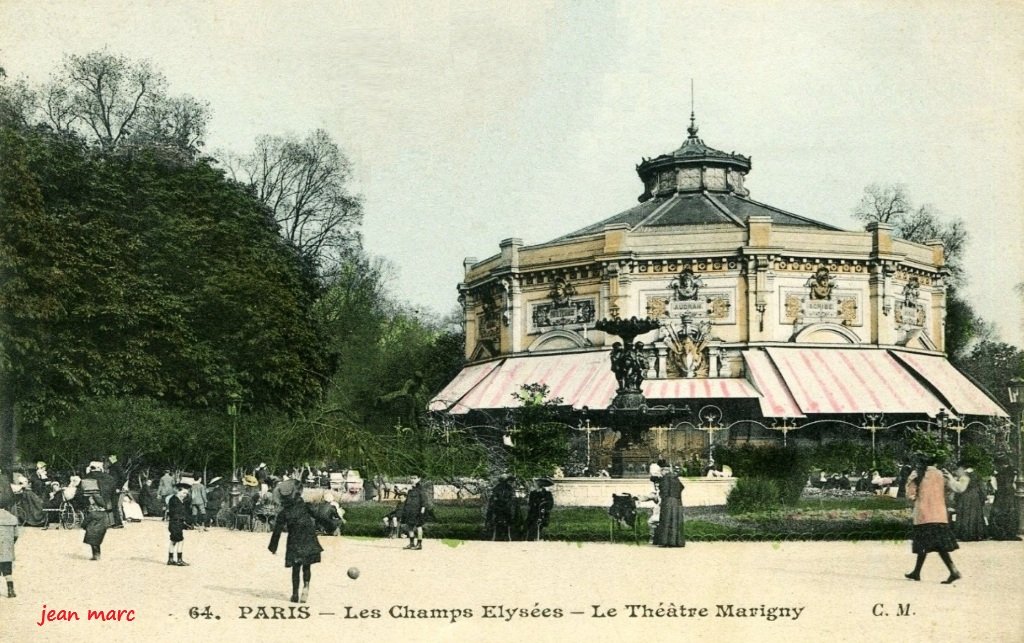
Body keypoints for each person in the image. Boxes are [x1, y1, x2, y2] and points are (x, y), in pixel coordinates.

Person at [905, 455, 961, 583]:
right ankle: (917, 572)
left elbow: (910, 494)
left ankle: (953, 571)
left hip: (924, 514)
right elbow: (952, 489)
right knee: (938, 545)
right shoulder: (942, 474)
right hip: (939, 515)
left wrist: (916, 496)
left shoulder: (917, 474)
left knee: (924, 544)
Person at [268, 479, 323, 603]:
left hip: (294, 540)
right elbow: (318, 516)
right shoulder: (305, 506)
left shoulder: (284, 513)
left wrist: (273, 547)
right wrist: (331, 525)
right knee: (307, 566)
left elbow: (277, 531)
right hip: (308, 537)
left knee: (296, 568)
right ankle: (306, 587)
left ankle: (295, 594)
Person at [949, 464, 986, 542]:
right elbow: (982, 488)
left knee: (965, 514)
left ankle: (965, 534)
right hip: (975, 496)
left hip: (965, 496)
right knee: (975, 515)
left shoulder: (963, 475)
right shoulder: (977, 475)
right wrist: (982, 498)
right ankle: (976, 534)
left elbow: (959, 488)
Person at [988, 455, 1021, 540]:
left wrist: (996, 489)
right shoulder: (1014, 471)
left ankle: (999, 533)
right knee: (1011, 512)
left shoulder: (998, 472)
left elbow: (994, 485)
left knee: (999, 512)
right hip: (1010, 494)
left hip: (1001, 494)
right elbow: (1014, 483)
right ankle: (1010, 532)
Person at [655, 466, 685, 547]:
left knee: (666, 520)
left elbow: (663, 490)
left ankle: (666, 541)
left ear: (664, 471)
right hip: (677, 501)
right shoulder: (675, 478)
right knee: (676, 520)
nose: (661, 473)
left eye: (661, 472)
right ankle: (677, 542)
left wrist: (662, 496)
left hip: (667, 501)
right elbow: (682, 487)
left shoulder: (665, 478)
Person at [399, 474, 429, 550]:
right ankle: (411, 543)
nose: (412, 480)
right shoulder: (410, 489)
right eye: (411, 478)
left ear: (419, 479)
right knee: (410, 527)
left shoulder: (421, 489)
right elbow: (407, 501)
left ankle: (419, 544)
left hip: (417, 511)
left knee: (419, 526)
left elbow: (424, 501)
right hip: (410, 511)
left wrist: (422, 511)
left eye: (415, 478)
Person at [167, 482, 192, 566]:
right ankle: (179, 560)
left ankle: (170, 559)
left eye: (186, 493)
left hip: (174, 523)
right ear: (178, 491)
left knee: (173, 541)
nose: (185, 495)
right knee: (180, 541)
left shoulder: (176, 499)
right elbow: (177, 513)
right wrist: (183, 521)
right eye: (184, 493)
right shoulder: (175, 500)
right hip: (176, 523)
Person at [81, 495, 109, 561]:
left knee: (93, 544)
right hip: (101, 530)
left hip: (92, 530)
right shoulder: (104, 514)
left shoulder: (92, 513)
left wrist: (83, 526)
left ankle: (96, 556)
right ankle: (97, 555)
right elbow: (107, 522)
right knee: (97, 544)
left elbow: (86, 521)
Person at [0, 506, 19, 597]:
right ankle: (10, 591)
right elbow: (16, 535)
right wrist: (9, 545)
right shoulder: (12, 518)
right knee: (8, 572)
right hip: (7, 550)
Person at [106, 455, 126, 528]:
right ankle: (113, 522)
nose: (109, 459)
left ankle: (118, 523)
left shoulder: (117, 466)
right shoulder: (113, 466)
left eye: (110, 457)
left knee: (114, 505)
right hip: (112, 488)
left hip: (115, 489)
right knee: (113, 505)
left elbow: (123, 478)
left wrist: (118, 487)